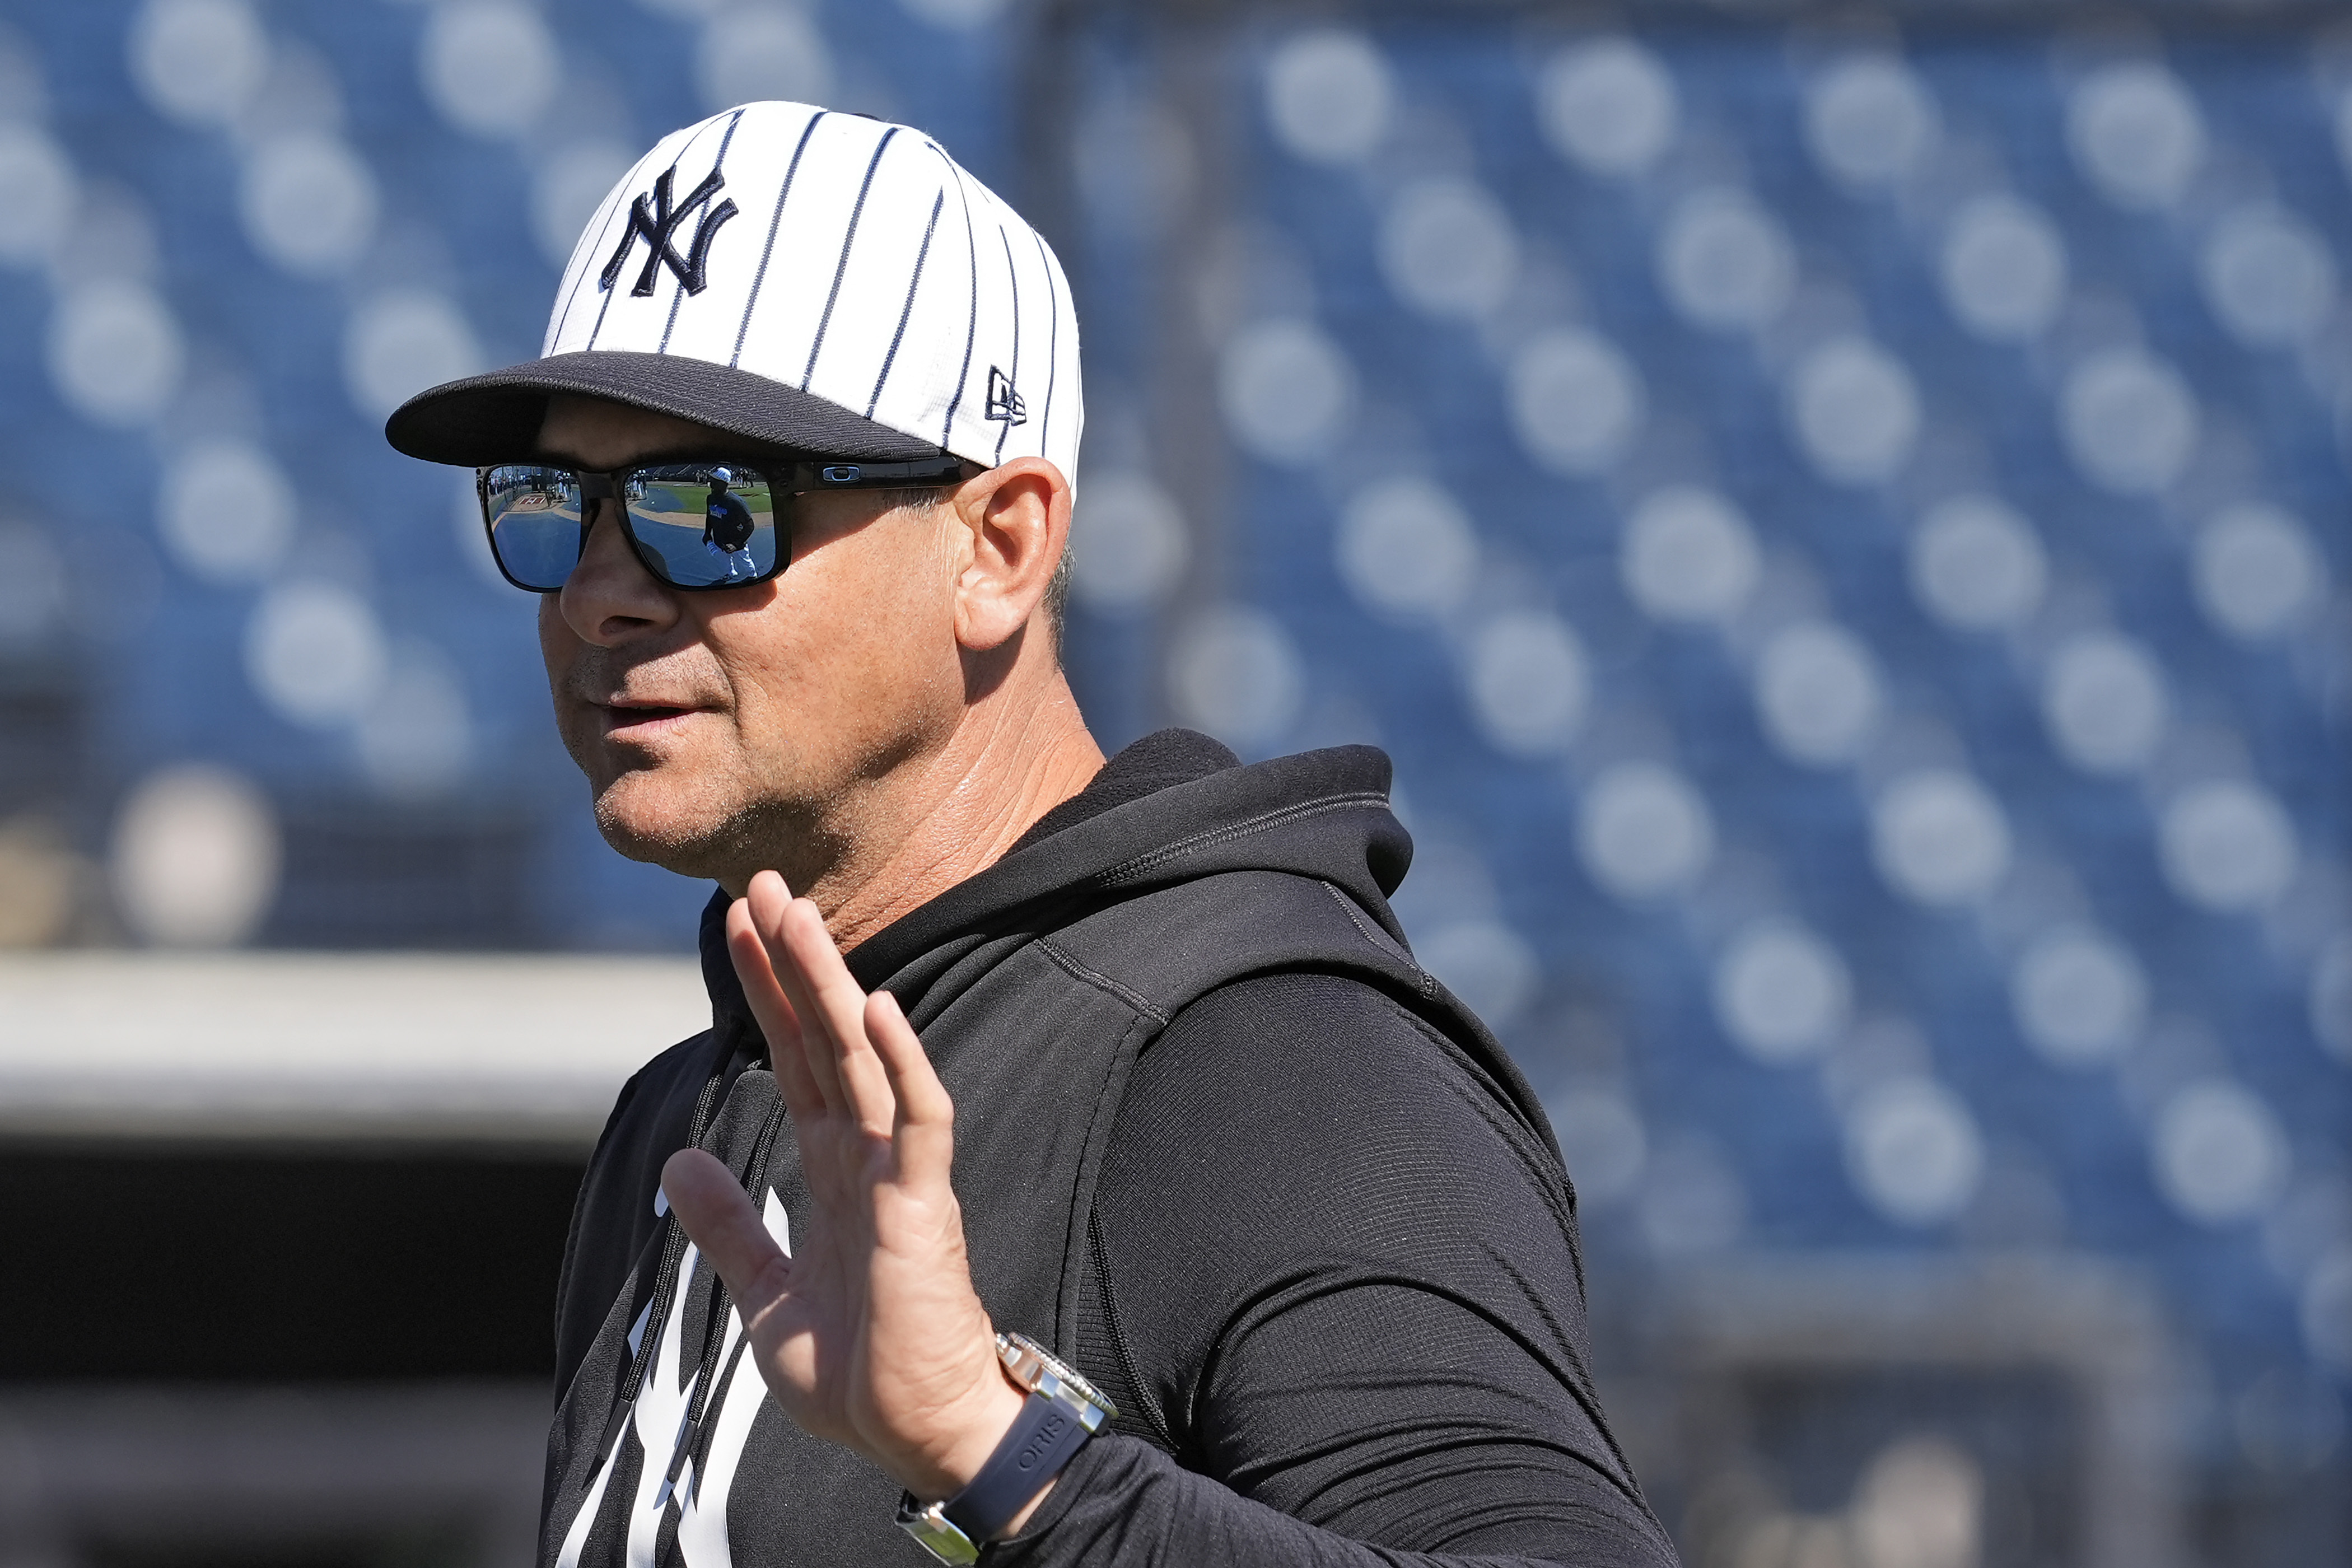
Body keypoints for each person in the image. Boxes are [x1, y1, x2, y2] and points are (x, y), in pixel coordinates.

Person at [385, 101, 1679, 1568]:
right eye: (560, 505)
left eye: (710, 506)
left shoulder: (1255, 1063)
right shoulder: (684, 1119)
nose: (599, 593)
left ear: (997, 547)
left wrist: (1008, 1464)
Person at [699, 468, 758, 582]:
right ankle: (731, 573)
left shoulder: (736, 502)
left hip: (735, 542)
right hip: (719, 540)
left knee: (744, 561)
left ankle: (752, 576)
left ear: (723, 483)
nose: (711, 482)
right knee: (723, 561)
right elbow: (710, 516)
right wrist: (707, 533)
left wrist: (736, 545)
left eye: (714, 480)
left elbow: (750, 525)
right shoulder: (710, 498)